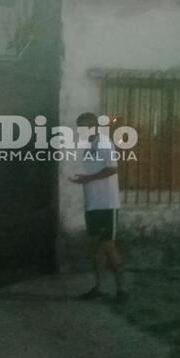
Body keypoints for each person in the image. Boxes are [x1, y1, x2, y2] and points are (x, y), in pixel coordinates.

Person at [70, 112, 127, 303]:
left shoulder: (104, 142)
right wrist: (83, 179)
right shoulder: (86, 146)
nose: (82, 130)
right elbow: (92, 170)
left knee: (109, 247)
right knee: (96, 249)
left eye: (85, 126)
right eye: (80, 127)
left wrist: (88, 179)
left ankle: (122, 291)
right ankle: (99, 288)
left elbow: (112, 168)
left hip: (106, 204)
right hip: (92, 204)